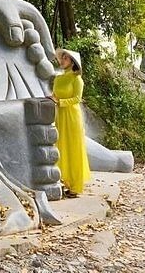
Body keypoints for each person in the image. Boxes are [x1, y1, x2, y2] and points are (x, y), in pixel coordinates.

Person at [52, 48, 91, 197]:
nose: (62, 60)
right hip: (60, 116)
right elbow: (54, 95)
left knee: (74, 149)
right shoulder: (58, 79)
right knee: (61, 147)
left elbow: (77, 99)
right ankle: (64, 181)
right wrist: (52, 99)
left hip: (72, 116)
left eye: (66, 58)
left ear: (73, 62)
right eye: (62, 58)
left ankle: (76, 186)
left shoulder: (77, 79)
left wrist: (60, 102)